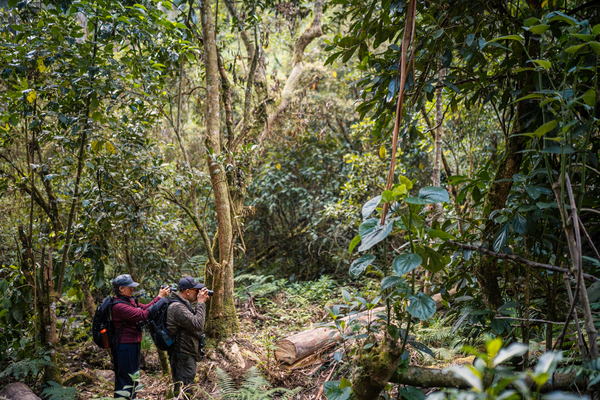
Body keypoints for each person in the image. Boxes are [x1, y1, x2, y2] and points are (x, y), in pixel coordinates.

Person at [111, 274, 170, 399]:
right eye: (130, 287)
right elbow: (143, 315)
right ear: (121, 289)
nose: (133, 289)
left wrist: (159, 297)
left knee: (133, 378)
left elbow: (147, 308)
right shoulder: (119, 306)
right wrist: (160, 297)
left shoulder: (129, 301)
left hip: (132, 344)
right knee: (126, 379)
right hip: (124, 346)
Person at [166, 276, 210, 395]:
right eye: (196, 291)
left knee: (185, 386)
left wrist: (199, 303)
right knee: (184, 388)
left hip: (186, 352)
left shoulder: (183, 304)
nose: (198, 293)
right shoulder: (177, 307)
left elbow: (192, 321)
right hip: (182, 354)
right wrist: (200, 303)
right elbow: (198, 324)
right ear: (187, 291)